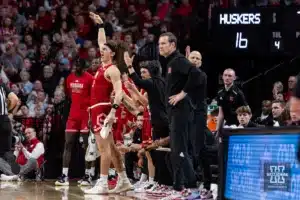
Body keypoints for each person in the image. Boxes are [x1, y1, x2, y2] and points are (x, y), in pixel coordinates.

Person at [84, 12, 138, 195]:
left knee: (103, 148)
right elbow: (101, 42)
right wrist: (100, 26)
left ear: (112, 53)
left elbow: (119, 91)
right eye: (102, 49)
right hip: (97, 109)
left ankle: (103, 183)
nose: (101, 50)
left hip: (103, 111)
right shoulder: (103, 65)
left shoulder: (113, 69)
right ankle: (124, 180)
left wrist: (113, 112)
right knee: (112, 148)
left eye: (105, 50)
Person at [158, 32, 199, 194]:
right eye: (159, 44)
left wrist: (182, 95)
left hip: (181, 112)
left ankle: (192, 187)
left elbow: (196, 77)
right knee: (176, 151)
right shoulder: (171, 62)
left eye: (163, 43)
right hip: (174, 113)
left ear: (173, 45)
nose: (160, 46)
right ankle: (178, 186)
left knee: (180, 150)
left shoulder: (178, 61)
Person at [55, 58, 94, 186]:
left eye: (80, 67)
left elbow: (93, 97)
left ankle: (88, 175)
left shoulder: (90, 78)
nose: (77, 69)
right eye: (76, 66)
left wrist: (90, 116)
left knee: (88, 146)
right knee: (68, 144)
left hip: (85, 115)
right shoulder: (69, 78)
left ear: (84, 68)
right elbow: (69, 96)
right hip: (73, 115)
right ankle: (64, 175)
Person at [187, 50, 213, 199]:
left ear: (201, 62)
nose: (195, 60)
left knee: (200, 149)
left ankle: (207, 184)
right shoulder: (183, 75)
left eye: (198, 58)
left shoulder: (201, 75)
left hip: (198, 114)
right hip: (186, 115)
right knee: (186, 149)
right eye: (193, 58)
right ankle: (189, 183)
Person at [0, 79, 19, 169]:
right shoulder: (2, 85)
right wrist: (7, 111)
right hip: (5, 120)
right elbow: (15, 99)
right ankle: (13, 171)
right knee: (6, 151)